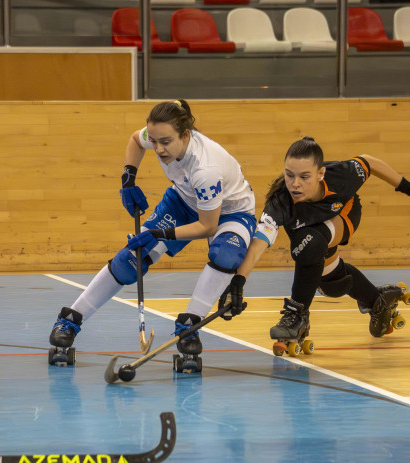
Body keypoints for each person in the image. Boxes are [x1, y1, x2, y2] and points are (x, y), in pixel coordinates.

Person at [49, 99, 256, 361]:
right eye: (155, 141)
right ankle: (69, 320)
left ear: (185, 135)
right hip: (183, 200)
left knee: (226, 255)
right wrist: (128, 179)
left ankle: (189, 326)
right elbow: (136, 140)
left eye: (165, 142)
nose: (158, 148)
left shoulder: (206, 169)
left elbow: (207, 226)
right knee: (131, 259)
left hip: (231, 212)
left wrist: (160, 234)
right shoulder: (157, 136)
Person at [220, 136, 410, 345]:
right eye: (289, 175)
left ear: (320, 174)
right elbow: (260, 241)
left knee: (309, 245)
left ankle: (297, 315)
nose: (295, 184)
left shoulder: (341, 175)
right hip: (308, 231)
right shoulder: (280, 202)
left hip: (342, 213)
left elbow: (368, 162)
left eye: (304, 176)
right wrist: (238, 282)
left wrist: (407, 187)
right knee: (332, 282)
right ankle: (377, 302)